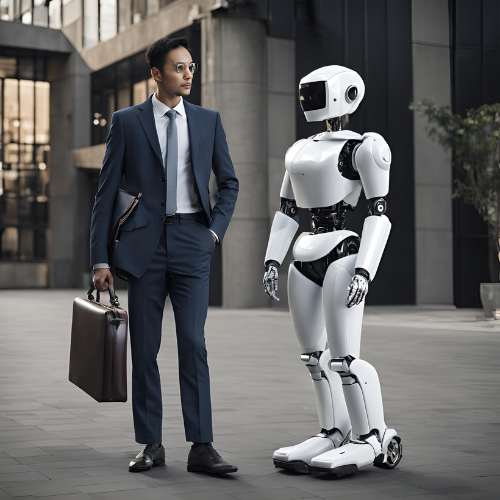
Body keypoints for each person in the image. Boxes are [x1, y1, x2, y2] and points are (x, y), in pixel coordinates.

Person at [89, 36, 239, 474]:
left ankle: (202, 446)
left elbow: (228, 182)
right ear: (157, 73)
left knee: (194, 344)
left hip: (193, 241)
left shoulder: (208, 120)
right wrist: (100, 259)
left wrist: (213, 233)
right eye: (178, 67)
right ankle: (151, 443)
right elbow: (104, 196)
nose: (188, 73)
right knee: (145, 348)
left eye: (191, 66)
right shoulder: (127, 121)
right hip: (144, 249)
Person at [263, 65, 402, 477]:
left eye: (316, 93)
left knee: (344, 358)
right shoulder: (299, 150)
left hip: (343, 252)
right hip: (304, 254)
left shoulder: (364, 148)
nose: (309, 99)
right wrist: (273, 258)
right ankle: (333, 430)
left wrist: (365, 270)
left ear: (344, 93)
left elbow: (379, 214)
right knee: (313, 357)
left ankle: (372, 435)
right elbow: (287, 211)